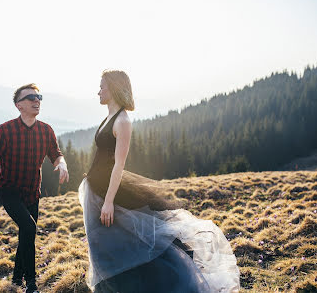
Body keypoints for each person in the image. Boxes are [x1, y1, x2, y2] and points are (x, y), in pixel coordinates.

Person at [79, 70, 240, 292]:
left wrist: (108, 201)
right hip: (96, 188)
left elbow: (119, 164)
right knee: (103, 243)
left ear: (114, 89)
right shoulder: (108, 117)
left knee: (131, 241)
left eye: (102, 86)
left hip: (108, 192)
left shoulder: (122, 120)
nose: (98, 91)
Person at [0, 83, 69, 293]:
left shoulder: (46, 130)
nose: (36, 100)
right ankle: (31, 283)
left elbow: (56, 154)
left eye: (38, 96)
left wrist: (62, 164)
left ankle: (16, 280)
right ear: (19, 105)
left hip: (32, 193)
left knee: (26, 234)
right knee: (29, 228)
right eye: (30, 98)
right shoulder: (4, 131)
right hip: (9, 192)